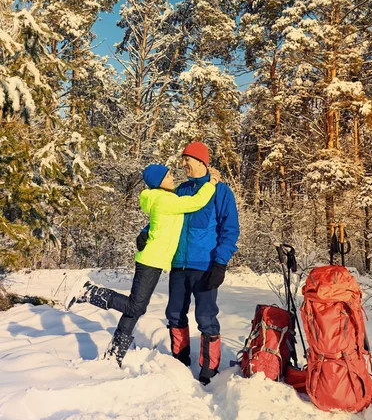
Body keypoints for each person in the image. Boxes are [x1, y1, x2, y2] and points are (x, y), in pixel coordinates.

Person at [65, 163, 220, 367]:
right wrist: (213, 183)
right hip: (150, 260)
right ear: (159, 183)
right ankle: (88, 291)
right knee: (136, 305)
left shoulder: (161, 199)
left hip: (154, 260)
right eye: (168, 176)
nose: (173, 177)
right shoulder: (165, 199)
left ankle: (114, 355)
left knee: (136, 308)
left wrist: (145, 231)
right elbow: (196, 203)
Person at [166, 141, 240, 385]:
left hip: (205, 265)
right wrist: (147, 231)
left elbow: (230, 230)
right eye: (183, 159)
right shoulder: (181, 190)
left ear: (201, 162)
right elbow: (165, 215)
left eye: (188, 159)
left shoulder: (221, 192)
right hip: (178, 265)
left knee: (206, 317)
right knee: (175, 314)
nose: (184, 163)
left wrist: (220, 263)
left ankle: (209, 370)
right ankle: (178, 361)